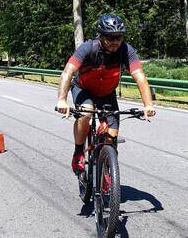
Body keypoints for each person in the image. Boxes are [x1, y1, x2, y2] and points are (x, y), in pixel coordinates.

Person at [56, 13, 156, 175]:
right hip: (83, 89)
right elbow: (68, 72)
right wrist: (62, 100)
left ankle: (107, 175)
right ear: (101, 36)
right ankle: (78, 151)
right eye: (110, 38)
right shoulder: (88, 48)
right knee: (86, 114)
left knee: (111, 139)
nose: (115, 42)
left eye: (119, 37)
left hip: (107, 94)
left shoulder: (125, 50)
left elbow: (140, 77)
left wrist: (148, 104)